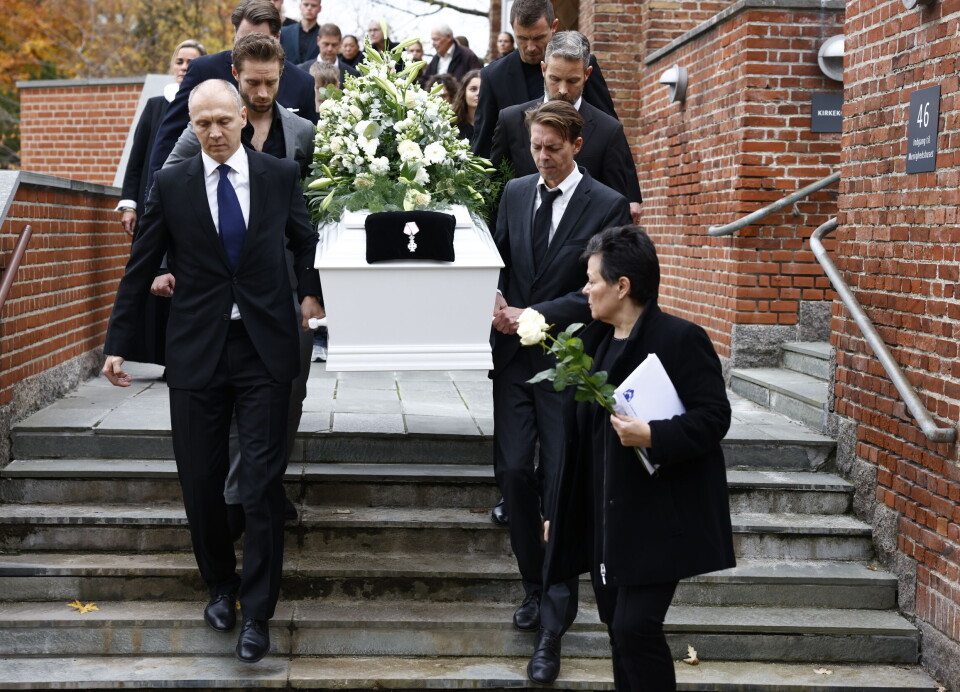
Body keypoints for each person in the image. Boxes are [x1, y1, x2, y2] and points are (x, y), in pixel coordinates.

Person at [102, 79, 324, 663]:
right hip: (197, 351)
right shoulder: (172, 184)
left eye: (224, 121)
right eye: (203, 125)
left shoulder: (278, 176)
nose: (215, 133)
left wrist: (311, 294)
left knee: (259, 484)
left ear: (243, 120)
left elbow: (307, 242)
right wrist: (118, 342)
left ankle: (259, 612)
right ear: (192, 127)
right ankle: (220, 586)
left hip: (264, 349)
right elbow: (140, 264)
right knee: (200, 483)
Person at [546, 225, 736, 690]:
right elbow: (575, 440)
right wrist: (556, 508)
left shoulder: (680, 339)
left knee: (635, 627)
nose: (585, 290)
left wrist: (653, 434)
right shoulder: (591, 343)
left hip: (656, 520)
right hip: (605, 521)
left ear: (622, 286)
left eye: (592, 280)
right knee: (618, 628)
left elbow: (714, 418)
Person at [490, 100, 631, 685]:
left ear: (575, 143)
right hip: (514, 365)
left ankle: (553, 620)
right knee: (516, 475)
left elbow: (600, 294)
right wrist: (495, 301)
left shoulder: (607, 205)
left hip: (569, 365)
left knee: (560, 483)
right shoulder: (516, 192)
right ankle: (533, 581)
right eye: (535, 147)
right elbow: (497, 264)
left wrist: (535, 313)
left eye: (552, 147)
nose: (541, 158)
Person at [157, 34, 317, 537]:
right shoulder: (204, 127)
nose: (263, 91)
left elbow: (316, 211)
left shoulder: (303, 132)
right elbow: (170, 198)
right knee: (223, 407)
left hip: (284, 285)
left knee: (286, 393)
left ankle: (262, 484)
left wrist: (312, 289)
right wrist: (167, 261)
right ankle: (236, 499)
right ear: (236, 76)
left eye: (271, 83)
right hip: (219, 287)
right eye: (253, 82)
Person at [148, 0, 318, 184]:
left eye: (270, 82)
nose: (262, 92)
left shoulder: (302, 82)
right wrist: (155, 201)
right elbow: (169, 137)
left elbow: (312, 157)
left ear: (277, 37)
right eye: (243, 40)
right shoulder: (204, 69)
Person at [115, 39, 206, 368]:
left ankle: (184, 358)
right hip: (153, 202)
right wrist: (129, 204)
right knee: (154, 274)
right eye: (179, 61)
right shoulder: (156, 105)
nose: (184, 67)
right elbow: (136, 160)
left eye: (191, 63)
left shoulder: (205, 105)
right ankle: (162, 358)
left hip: (193, 204)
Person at [491, 32, 642, 223]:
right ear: (543, 70)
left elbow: (616, 208)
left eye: (572, 81)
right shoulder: (511, 120)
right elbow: (494, 191)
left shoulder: (609, 131)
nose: (563, 90)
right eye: (555, 79)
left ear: (587, 74)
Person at [472, 0, 618, 158]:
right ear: (512, 27)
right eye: (522, 38)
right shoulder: (493, 76)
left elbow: (608, 129)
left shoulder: (581, 65)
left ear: (554, 26)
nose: (531, 47)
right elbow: (484, 145)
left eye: (538, 37)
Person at [452, 68, 481, 143]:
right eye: (473, 89)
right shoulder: (451, 123)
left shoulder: (496, 124)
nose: (478, 93)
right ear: (463, 93)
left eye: (483, 89)